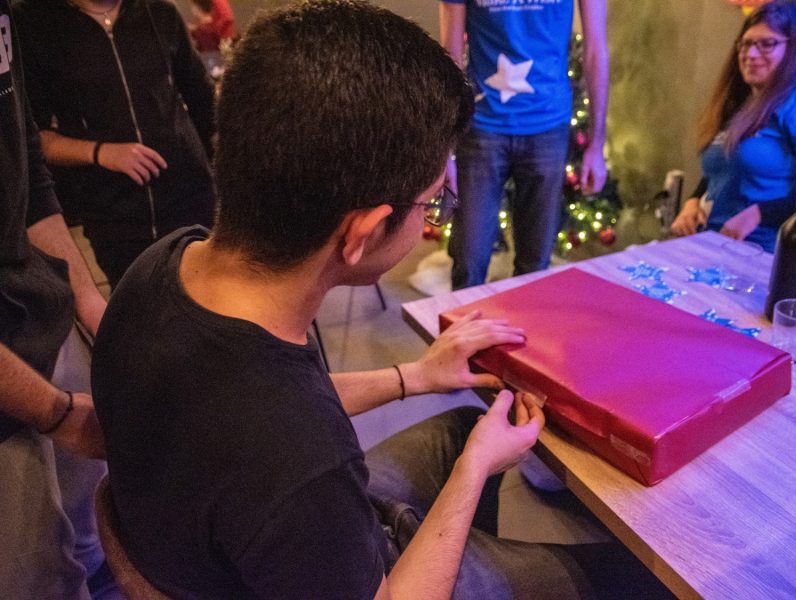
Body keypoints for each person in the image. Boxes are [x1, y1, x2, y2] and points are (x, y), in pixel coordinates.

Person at [91, 2, 669, 598]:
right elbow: (287, 432)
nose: (437, 213)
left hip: (239, 540)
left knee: (465, 426)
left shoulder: (160, 265)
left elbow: (268, 405)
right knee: (630, 577)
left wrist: (415, 376)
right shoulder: (301, 462)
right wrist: (473, 472)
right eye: (433, 202)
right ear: (362, 234)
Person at [0, 2, 117, 598]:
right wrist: (57, 413)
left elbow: (26, 174)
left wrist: (90, 306)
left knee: (87, 527)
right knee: (37, 575)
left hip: (37, 309)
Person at [13, 0, 216, 287]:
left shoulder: (160, 12)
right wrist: (101, 152)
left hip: (191, 201)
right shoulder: (34, 24)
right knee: (141, 306)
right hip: (114, 216)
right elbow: (35, 140)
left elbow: (205, 106)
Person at [440, 0, 609, 290]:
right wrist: (444, 147)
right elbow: (450, 56)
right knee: (468, 261)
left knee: (534, 267)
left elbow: (595, 50)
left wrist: (596, 145)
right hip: (481, 126)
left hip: (548, 127)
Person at [671, 0, 796, 253]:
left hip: (766, 252)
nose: (750, 54)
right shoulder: (744, 101)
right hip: (711, 244)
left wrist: (760, 213)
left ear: (795, 48)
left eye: (767, 43)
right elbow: (725, 171)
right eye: (746, 43)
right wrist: (693, 201)